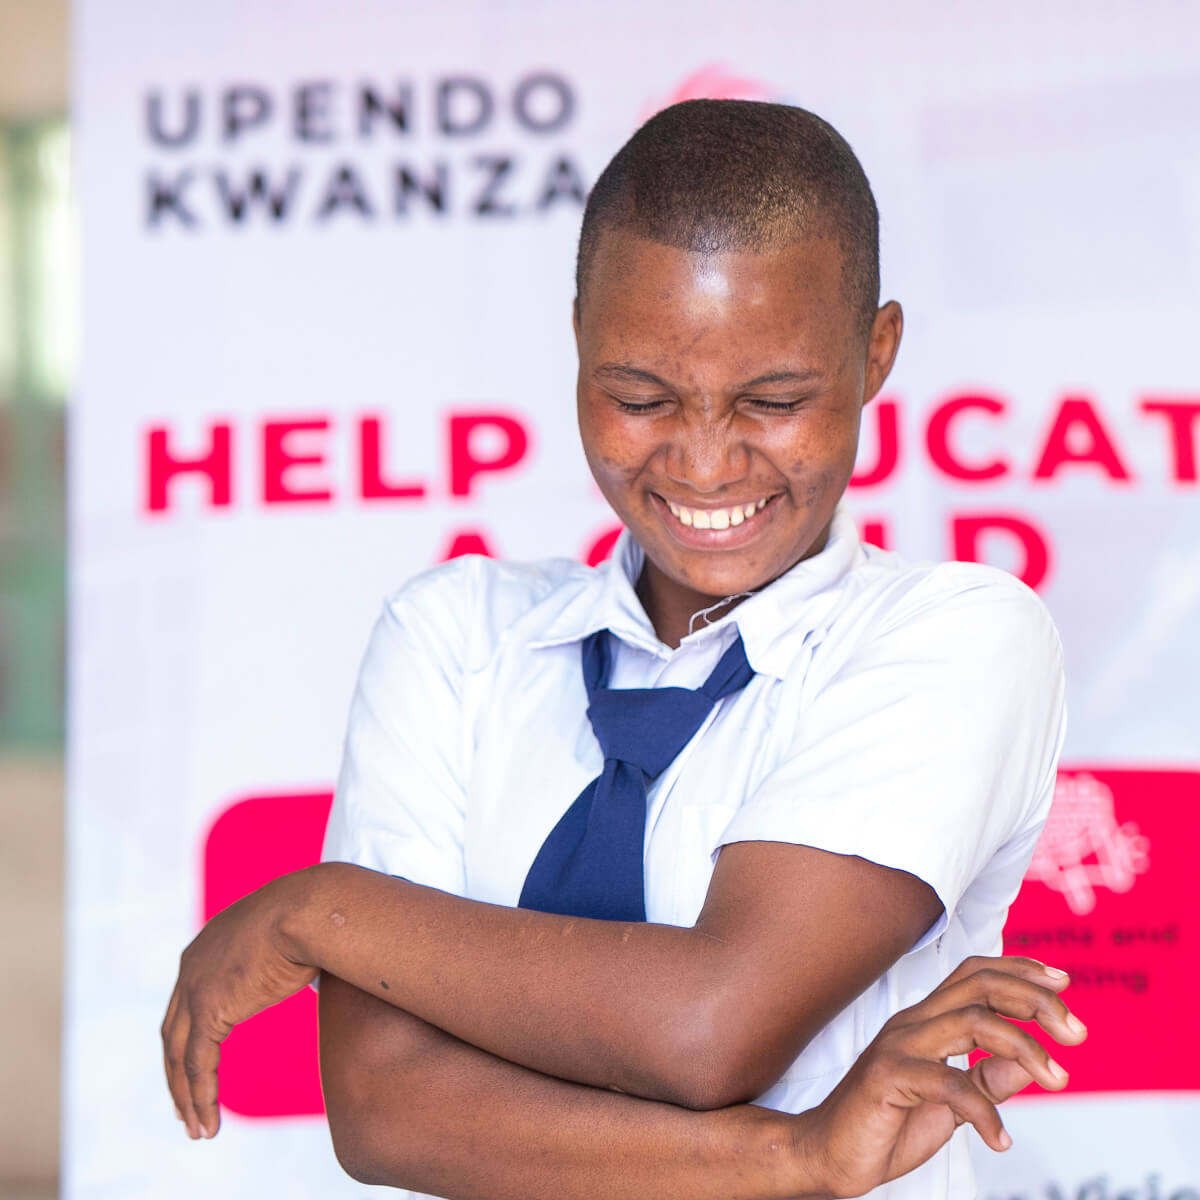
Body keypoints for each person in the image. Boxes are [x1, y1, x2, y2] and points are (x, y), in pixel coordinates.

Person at [162, 99, 1076, 1198]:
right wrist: (791, 1157)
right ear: (580, 341)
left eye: (774, 400)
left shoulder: (956, 638)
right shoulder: (453, 636)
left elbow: (710, 1024)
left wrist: (323, 912)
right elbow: (382, 1106)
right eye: (639, 396)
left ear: (874, 352)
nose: (703, 463)